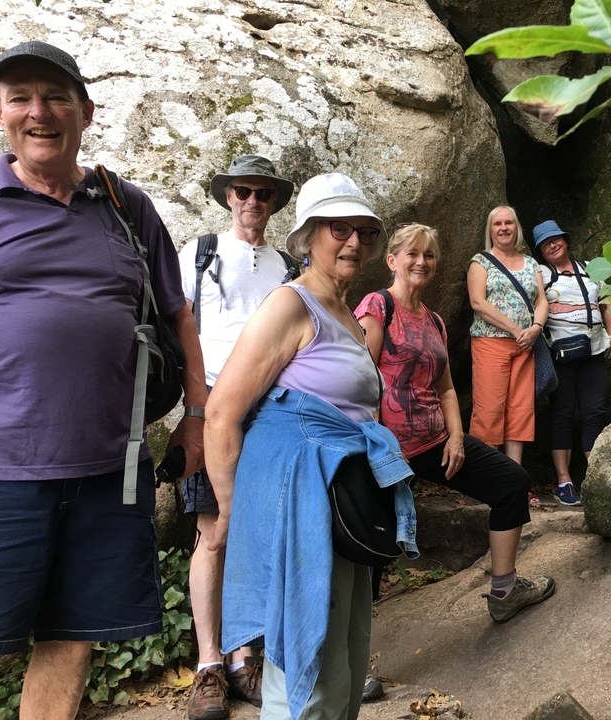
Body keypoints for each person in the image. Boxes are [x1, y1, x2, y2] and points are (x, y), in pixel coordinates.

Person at [0, 41, 207, 720]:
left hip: (110, 470)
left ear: (86, 111)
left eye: (56, 97)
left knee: (72, 640)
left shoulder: (127, 206)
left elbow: (178, 314)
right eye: (20, 97)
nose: (38, 112)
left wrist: (196, 415)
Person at [203, 173, 418, 720]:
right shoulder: (290, 304)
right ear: (308, 237)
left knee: (346, 654)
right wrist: (232, 511)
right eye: (338, 229)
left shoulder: (345, 312)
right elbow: (222, 413)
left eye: (364, 232)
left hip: (339, 502)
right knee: (311, 661)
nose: (354, 242)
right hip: (301, 503)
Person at [355, 223, 556, 623]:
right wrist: (381, 450)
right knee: (372, 543)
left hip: (434, 443)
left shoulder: (434, 321)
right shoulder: (378, 307)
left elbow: (446, 388)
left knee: (512, 482)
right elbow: (361, 384)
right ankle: (352, 647)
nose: (422, 262)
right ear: (392, 260)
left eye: (429, 255)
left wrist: (458, 437)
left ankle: (504, 591)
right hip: (387, 452)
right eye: (413, 254)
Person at [177, 155, 298, 718]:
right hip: (212, 406)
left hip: (268, 408)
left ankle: (243, 657)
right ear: (228, 196)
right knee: (214, 533)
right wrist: (193, 410)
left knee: (257, 533)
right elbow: (179, 327)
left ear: (274, 203)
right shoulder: (200, 253)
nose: (253, 201)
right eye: (244, 191)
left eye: (263, 194)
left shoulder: (287, 267)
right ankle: (209, 664)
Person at [533, 220, 611, 506]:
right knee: (562, 413)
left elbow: (609, 300)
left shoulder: (591, 268)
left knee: (594, 412)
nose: (552, 245)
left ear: (566, 240)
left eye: (555, 239)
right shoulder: (542, 273)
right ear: (540, 251)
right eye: (545, 244)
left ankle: (596, 478)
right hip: (561, 353)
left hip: (594, 351)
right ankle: (564, 481)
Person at [467, 206, 549, 504]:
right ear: (490, 230)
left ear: (517, 227)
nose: (503, 228)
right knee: (489, 412)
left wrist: (536, 328)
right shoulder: (480, 262)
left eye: (509, 222)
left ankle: (515, 484)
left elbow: (541, 301)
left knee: (520, 412)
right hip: (491, 342)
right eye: (497, 223)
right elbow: (478, 302)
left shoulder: (531, 263)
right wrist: (516, 329)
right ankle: (487, 482)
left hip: (525, 346)